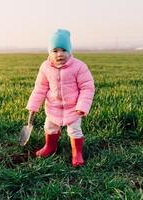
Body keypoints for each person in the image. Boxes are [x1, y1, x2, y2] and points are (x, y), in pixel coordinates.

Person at [26, 29, 95, 167]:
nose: (60, 54)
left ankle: (77, 153)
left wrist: (82, 106)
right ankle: (50, 147)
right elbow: (40, 88)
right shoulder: (45, 67)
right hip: (53, 107)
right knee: (49, 127)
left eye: (64, 49)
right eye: (55, 50)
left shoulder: (79, 67)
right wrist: (33, 106)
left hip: (73, 109)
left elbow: (87, 87)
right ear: (49, 52)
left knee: (74, 130)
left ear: (69, 50)